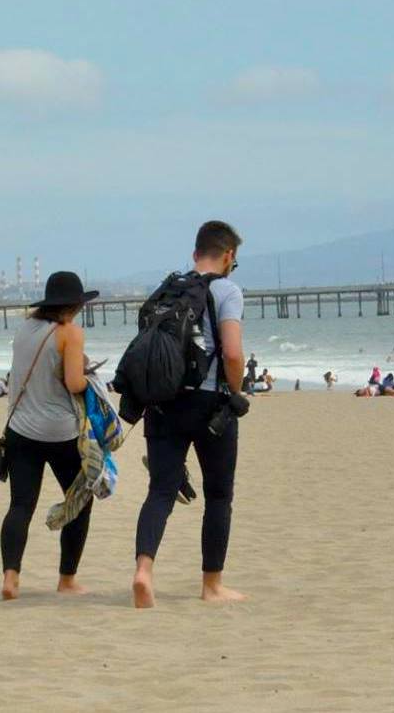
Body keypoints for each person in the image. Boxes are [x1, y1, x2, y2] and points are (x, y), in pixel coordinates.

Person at [134, 220, 247, 609]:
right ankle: (211, 585)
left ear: (196, 252)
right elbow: (231, 352)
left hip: (163, 401)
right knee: (218, 495)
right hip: (209, 403)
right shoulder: (227, 289)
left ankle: (143, 571)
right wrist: (237, 391)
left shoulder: (167, 289)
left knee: (161, 491)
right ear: (228, 255)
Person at [0, 271, 97, 601]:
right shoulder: (69, 332)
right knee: (79, 501)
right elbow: (73, 383)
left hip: (20, 429)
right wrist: (88, 376)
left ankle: (11, 577)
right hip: (59, 432)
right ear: (74, 305)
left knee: (21, 504)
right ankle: (67, 580)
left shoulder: (25, 328)